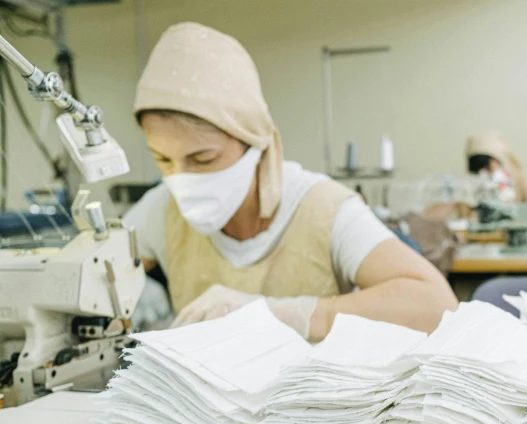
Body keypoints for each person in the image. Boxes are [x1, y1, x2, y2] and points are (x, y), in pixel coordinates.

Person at [124, 22, 457, 341]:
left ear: (252, 140)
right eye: (163, 160)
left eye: (204, 159)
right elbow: (94, 278)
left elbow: (435, 306)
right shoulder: (161, 209)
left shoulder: (323, 209)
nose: (182, 179)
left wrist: (282, 314)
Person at [465, 131, 527, 220]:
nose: (484, 174)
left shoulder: (523, 185)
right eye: (477, 170)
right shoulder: (473, 194)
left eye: (488, 167)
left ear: (501, 161)